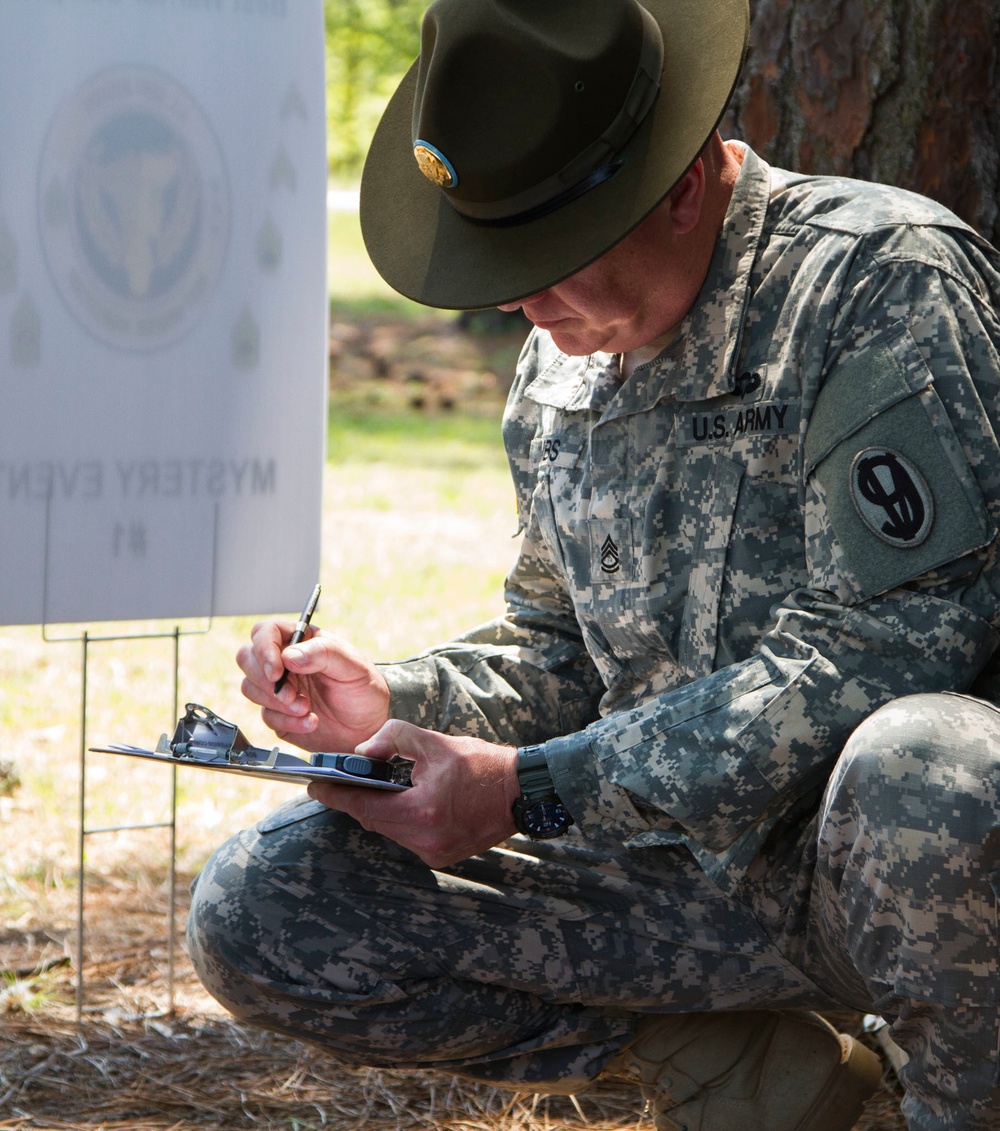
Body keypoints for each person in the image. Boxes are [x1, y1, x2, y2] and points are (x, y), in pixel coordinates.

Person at [186, 0, 1000, 1127]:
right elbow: (557, 644)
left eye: (552, 257)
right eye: (501, 262)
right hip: (680, 880)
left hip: (891, 871)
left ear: (676, 189)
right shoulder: (562, 360)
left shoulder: (873, 281)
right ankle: (758, 1080)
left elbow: (890, 643)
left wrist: (535, 791)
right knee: (265, 902)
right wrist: (399, 706)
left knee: (933, 767)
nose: (522, 301)